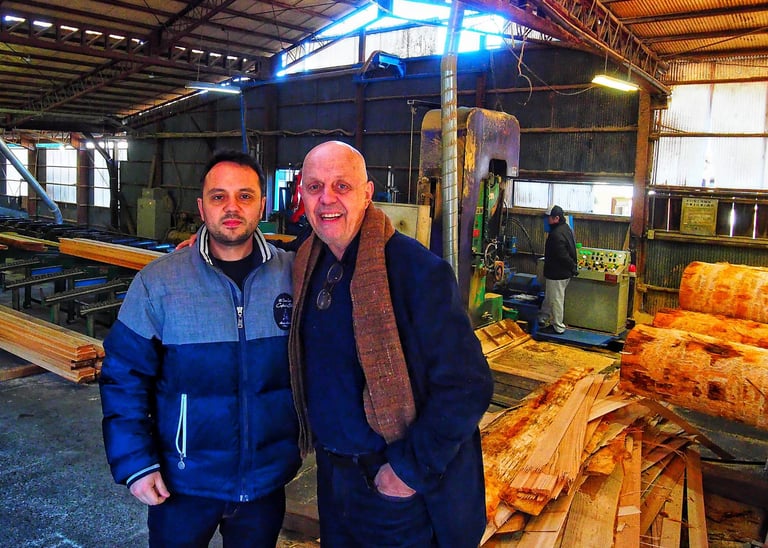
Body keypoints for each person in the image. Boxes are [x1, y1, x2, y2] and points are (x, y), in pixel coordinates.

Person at [288, 140, 494, 547]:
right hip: (334, 478)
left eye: (341, 187)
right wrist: (208, 249)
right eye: (314, 187)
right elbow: (257, 260)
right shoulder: (307, 259)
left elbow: (468, 386)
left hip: (396, 488)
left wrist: (406, 472)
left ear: (368, 193)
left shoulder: (416, 271)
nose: (327, 199)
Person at [99, 150, 301, 547]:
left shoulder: (293, 275)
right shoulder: (159, 283)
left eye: (245, 196)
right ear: (201, 206)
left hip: (265, 483)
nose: (232, 207)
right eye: (218, 196)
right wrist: (136, 463)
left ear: (263, 204)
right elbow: (123, 376)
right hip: (183, 483)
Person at [539, 204, 578, 334]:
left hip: (557, 273)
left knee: (556, 300)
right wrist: (573, 267)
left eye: (548, 218)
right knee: (550, 297)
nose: (546, 220)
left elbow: (562, 255)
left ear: (556, 218)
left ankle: (558, 327)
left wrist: (572, 267)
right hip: (562, 272)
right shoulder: (566, 228)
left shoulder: (556, 234)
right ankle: (544, 318)